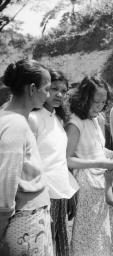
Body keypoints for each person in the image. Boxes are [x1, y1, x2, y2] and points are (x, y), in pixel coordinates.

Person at [0, 59, 53, 256]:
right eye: (47, 89)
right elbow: (6, 184)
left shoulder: (9, 118)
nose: (48, 95)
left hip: (26, 220)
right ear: (32, 89)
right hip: (24, 222)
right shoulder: (15, 124)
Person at [66, 75, 113, 256]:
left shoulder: (99, 119)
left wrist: (111, 154)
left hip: (103, 180)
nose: (99, 106)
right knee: (90, 235)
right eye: (95, 102)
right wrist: (99, 162)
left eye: (103, 102)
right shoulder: (75, 123)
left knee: (104, 231)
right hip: (86, 185)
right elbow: (67, 160)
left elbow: (97, 147)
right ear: (84, 99)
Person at [28, 69, 79, 256]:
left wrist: (70, 192)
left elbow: (59, 160)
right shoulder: (33, 118)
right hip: (42, 197)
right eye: (53, 88)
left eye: (64, 91)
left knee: (58, 246)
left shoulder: (58, 119)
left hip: (60, 194)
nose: (59, 94)